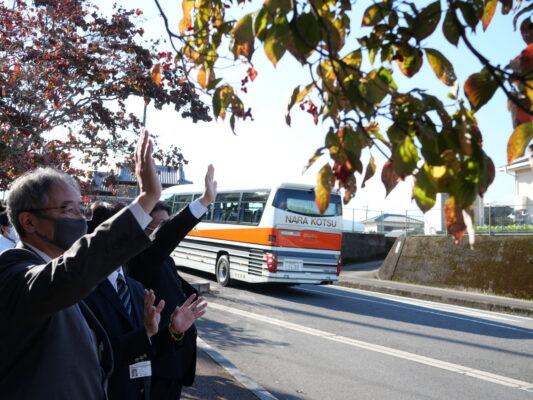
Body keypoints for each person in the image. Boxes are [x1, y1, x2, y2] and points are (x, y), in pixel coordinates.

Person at [0, 130, 198, 400]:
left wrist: (154, 333)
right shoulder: (14, 272)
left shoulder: (67, 284)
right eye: (68, 210)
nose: (80, 220)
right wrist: (145, 200)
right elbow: (70, 272)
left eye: (81, 209)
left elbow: (100, 356)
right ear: (29, 221)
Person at [84, 201, 207, 400]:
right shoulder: (82, 293)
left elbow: (149, 346)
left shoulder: (134, 287)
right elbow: (98, 357)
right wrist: (203, 201)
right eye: (128, 231)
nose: (138, 238)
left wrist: (173, 331)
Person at [127, 164, 216, 400]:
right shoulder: (141, 258)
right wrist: (203, 202)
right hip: (156, 361)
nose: (164, 231)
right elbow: (165, 237)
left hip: (176, 359)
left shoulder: (166, 260)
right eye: (158, 226)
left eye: (168, 222)